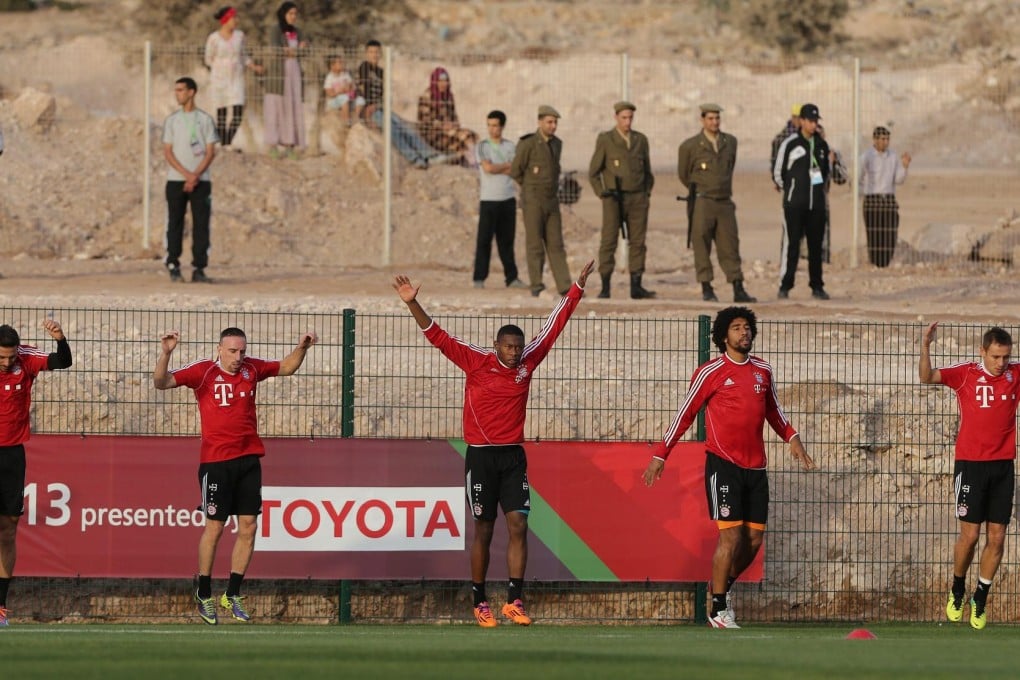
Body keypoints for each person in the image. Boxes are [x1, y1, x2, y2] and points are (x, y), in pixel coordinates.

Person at [393, 259, 595, 628]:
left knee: (519, 524)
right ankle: (480, 600)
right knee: (484, 528)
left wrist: (577, 289)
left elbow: (554, 327)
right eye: (509, 347)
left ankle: (515, 600)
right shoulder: (476, 361)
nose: (515, 352)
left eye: (518, 347)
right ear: (496, 346)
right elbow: (438, 336)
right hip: (481, 458)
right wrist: (411, 303)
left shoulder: (528, 363)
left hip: (513, 457)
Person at [642, 306, 814, 629]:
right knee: (731, 538)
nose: (744, 332)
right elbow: (686, 412)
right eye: (736, 328)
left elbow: (774, 411)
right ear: (724, 336)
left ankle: (720, 587)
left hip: (756, 469)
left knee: (753, 541)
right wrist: (661, 454)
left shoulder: (763, 370)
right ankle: (718, 609)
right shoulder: (710, 372)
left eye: (747, 327)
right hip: (724, 465)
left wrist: (792, 436)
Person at [153, 326, 318, 625]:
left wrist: (302, 347)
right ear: (219, 349)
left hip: (249, 459)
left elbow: (287, 367)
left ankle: (232, 593)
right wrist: (165, 354)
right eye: (232, 351)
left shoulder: (252, 369)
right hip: (216, 462)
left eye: (241, 351)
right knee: (215, 528)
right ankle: (204, 592)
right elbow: (161, 382)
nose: (238, 357)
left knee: (249, 527)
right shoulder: (202, 372)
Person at [919, 322, 1020, 630]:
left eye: (1006, 357)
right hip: (970, 465)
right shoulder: (965, 374)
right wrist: (925, 346)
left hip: (1003, 466)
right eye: (995, 357)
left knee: (998, 537)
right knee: (971, 536)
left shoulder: (1015, 374)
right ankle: (958, 587)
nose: (1001, 363)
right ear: (983, 353)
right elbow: (927, 377)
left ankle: (980, 596)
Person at [0, 319, 73, 626]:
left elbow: (63, 361)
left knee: (8, 527)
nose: (6, 362)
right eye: (1, 357)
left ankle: (0, 606)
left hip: (12, 454)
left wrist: (60, 339)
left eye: (10, 357)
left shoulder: (26, 359)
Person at [676, 103, 756, 303]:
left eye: (717, 118)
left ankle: (737, 286)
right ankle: (706, 286)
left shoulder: (730, 142)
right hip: (703, 200)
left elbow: (729, 167)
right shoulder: (690, 146)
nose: (714, 122)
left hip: (724, 202)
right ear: (702, 120)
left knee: (730, 244)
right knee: (701, 243)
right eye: (710, 118)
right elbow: (684, 174)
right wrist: (703, 187)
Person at [587, 100, 656, 300]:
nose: (627, 122)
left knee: (638, 241)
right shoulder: (606, 139)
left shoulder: (640, 140)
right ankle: (605, 285)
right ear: (616, 117)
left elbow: (647, 172)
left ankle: (636, 285)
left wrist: (646, 193)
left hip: (637, 198)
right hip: (613, 198)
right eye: (624, 117)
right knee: (609, 240)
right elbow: (593, 172)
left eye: (630, 117)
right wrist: (602, 192)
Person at [510, 105, 572, 297]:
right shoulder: (528, 143)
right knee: (535, 244)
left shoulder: (557, 144)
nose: (553, 126)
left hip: (551, 201)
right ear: (540, 122)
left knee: (556, 244)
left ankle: (564, 286)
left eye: (555, 123)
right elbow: (516, 171)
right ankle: (536, 284)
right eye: (549, 122)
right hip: (533, 200)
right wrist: (530, 188)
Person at [356, 39, 448, 169]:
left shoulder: (381, 72)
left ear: (381, 54)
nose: (374, 55)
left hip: (380, 107)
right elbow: (359, 91)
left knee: (404, 126)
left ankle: (430, 155)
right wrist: (363, 112)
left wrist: (379, 104)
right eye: (371, 52)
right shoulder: (363, 68)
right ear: (366, 54)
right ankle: (414, 158)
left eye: (377, 52)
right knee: (392, 129)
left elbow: (385, 95)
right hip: (369, 110)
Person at [163, 77, 218, 284]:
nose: (177, 94)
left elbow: (211, 151)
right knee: (175, 223)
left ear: (192, 92)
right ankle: (173, 264)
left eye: (181, 90)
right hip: (177, 180)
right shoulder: (172, 121)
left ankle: (199, 267)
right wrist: (186, 175)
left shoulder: (205, 120)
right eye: (175, 90)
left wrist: (195, 175)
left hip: (201, 181)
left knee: (201, 225)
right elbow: (168, 152)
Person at [772, 103, 830, 300]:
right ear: (802, 121)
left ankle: (817, 286)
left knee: (815, 247)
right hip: (794, 205)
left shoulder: (822, 145)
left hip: (817, 206)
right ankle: (785, 285)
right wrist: (792, 191)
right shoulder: (791, 144)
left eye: (816, 122)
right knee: (792, 246)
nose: (814, 125)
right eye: (811, 121)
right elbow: (778, 173)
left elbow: (824, 175)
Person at [473, 110, 526, 290]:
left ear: (502, 126)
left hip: (507, 198)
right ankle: (479, 278)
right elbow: (487, 168)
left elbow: (516, 170)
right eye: (489, 125)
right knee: (484, 240)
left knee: (506, 241)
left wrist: (500, 167)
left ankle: (511, 278)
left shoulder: (510, 146)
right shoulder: (482, 146)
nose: (492, 129)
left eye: (495, 125)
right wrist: (505, 166)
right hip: (489, 199)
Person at [204, 6, 262, 151]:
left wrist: (252, 66)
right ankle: (224, 144)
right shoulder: (214, 38)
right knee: (222, 112)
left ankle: (227, 140)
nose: (236, 21)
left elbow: (243, 55)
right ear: (225, 20)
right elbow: (208, 58)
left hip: (236, 77)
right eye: (233, 18)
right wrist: (220, 67)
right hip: (219, 78)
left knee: (237, 111)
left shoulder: (240, 36)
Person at [859, 126, 911, 268]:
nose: (885, 142)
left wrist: (905, 167)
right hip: (872, 198)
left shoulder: (893, 156)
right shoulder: (866, 156)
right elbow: (859, 177)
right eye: (882, 139)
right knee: (874, 234)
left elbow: (898, 179)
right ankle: (876, 264)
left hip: (888, 198)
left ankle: (885, 263)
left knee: (890, 232)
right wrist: (863, 192)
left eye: (887, 139)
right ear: (875, 140)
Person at [264, 1, 307, 159]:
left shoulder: (298, 32)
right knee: (276, 108)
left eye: (295, 14)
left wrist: (293, 51)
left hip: (294, 73)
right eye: (290, 13)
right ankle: (273, 145)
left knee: (292, 108)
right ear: (283, 14)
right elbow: (277, 50)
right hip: (278, 75)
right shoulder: (276, 30)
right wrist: (293, 51)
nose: (293, 17)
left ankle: (290, 145)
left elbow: (303, 51)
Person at [417, 67, 478, 166]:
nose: (443, 84)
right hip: (432, 133)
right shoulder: (427, 97)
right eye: (440, 81)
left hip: (450, 131)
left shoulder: (448, 97)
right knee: (462, 138)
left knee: (471, 136)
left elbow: (454, 117)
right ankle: (473, 162)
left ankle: (474, 163)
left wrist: (453, 124)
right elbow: (425, 122)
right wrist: (442, 125)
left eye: (445, 81)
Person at [322, 53, 364, 127]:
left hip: (348, 98)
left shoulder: (345, 74)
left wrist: (349, 87)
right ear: (332, 66)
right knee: (343, 98)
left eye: (342, 62)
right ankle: (346, 121)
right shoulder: (330, 77)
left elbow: (352, 85)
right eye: (340, 62)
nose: (342, 64)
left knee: (360, 100)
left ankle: (356, 118)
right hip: (334, 101)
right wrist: (339, 91)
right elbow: (329, 92)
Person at [769, 103, 801, 177]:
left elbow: (814, 162)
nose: (798, 120)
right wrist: (776, 176)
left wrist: (817, 181)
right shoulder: (784, 135)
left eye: (800, 118)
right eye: (796, 117)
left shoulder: (812, 137)